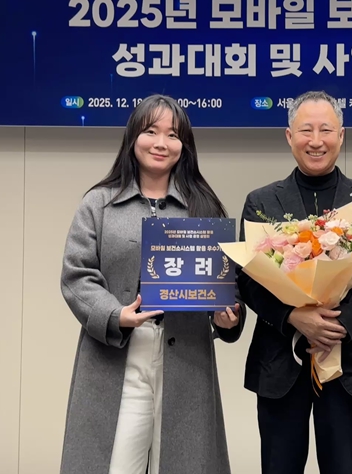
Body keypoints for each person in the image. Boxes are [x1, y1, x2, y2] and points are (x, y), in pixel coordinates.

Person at [59, 94, 245, 474]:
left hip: (186, 359)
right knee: (113, 464)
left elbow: (228, 285)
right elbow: (77, 274)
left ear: (184, 146)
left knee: (184, 463)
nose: (161, 143)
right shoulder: (99, 203)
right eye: (151, 131)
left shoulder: (203, 207)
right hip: (116, 358)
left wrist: (228, 318)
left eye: (173, 135)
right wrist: (115, 315)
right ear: (133, 137)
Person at [236, 90, 352, 474]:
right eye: (305, 130)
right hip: (279, 362)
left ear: (341, 136)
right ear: (288, 136)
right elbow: (249, 277)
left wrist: (337, 324)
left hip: (348, 363)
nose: (316, 140)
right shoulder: (261, 202)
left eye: (326, 130)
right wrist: (292, 316)